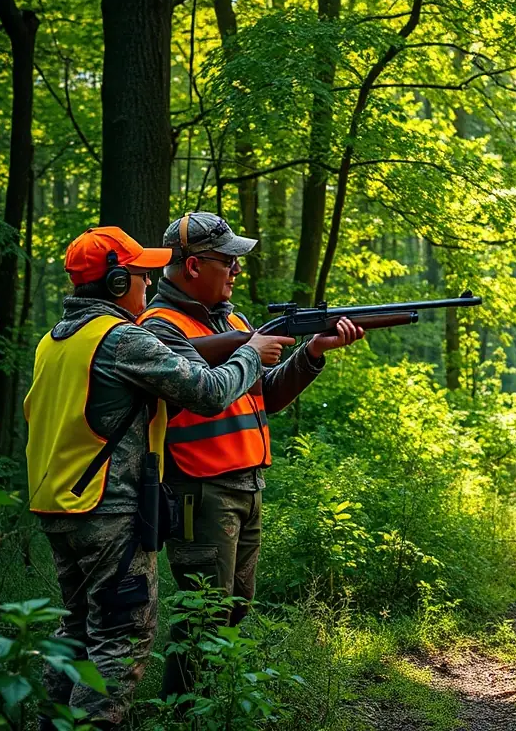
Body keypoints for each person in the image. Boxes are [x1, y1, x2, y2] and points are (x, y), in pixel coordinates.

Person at [25, 227, 288, 729]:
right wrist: (251, 351)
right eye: (142, 274)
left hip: (58, 502)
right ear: (119, 280)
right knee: (121, 638)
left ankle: (50, 724)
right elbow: (209, 393)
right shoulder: (123, 338)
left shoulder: (55, 340)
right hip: (109, 507)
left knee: (78, 629)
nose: (147, 284)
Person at [136, 212, 364, 699]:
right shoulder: (158, 328)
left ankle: (212, 707)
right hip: (199, 488)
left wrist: (313, 353)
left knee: (234, 607)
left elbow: (267, 398)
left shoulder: (236, 322)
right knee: (204, 610)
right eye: (229, 261)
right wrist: (246, 348)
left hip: (245, 485)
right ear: (194, 266)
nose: (238, 270)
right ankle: (180, 713)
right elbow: (202, 392)